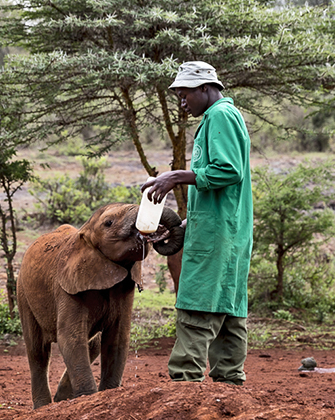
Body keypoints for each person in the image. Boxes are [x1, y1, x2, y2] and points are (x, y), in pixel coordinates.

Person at [141, 61, 253, 385]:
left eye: (185, 92)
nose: (181, 101)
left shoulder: (219, 115)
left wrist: (176, 176)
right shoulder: (221, 117)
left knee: (198, 307)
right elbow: (223, 190)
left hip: (218, 238)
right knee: (229, 311)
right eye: (178, 94)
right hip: (228, 229)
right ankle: (229, 389)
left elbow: (229, 171)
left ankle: (184, 390)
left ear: (205, 88)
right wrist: (186, 224)